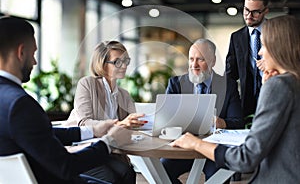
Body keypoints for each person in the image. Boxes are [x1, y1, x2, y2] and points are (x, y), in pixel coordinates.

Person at [0, 17, 136, 184]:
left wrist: (93, 131)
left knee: (124, 174)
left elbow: (42, 134)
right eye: (34, 53)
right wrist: (110, 141)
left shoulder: (8, 100)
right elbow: (66, 166)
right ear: (21, 53)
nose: (35, 61)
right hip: (50, 178)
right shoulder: (20, 103)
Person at [171, 15, 300, 183]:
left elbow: (246, 158)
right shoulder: (293, 83)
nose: (260, 52)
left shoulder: (279, 86)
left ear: (279, 48)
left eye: (265, 45)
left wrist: (196, 144)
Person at [161, 39, 244, 183]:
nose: (194, 65)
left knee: (219, 179)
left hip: (212, 150)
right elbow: (166, 120)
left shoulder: (228, 86)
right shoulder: (175, 84)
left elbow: (238, 122)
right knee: (161, 172)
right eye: (191, 59)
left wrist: (222, 123)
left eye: (201, 60)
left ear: (213, 61)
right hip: (183, 148)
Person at [66, 41, 146, 129]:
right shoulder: (87, 84)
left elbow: (134, 122)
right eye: (117, 62)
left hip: (111, 140)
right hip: (81, 140)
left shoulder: (124, 94)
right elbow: (84, 123)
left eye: (125, 61)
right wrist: (120, 124)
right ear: (102, 64)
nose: (124, 66)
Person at [226, 0, 270, 123]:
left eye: (255, 12)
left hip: (273, 96)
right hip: (246, 103)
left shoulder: (277, 33)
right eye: (246, 10)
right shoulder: (236, 37)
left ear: (265, 11)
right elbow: (230, 74)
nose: (249, 16)